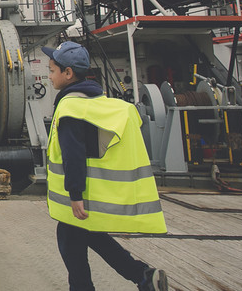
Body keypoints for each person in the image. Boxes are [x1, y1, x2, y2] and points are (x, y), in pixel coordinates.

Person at [43, 41, 168, 291]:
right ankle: (143, 276)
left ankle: (140, 276)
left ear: (68, 73)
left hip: (79, 196)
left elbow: (73, 155)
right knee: (88, 237)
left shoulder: (70, 108)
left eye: (52, 70)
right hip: (93, 193)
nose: (49, 76)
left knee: (70, 243)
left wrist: (75, 194)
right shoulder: (97, 101)